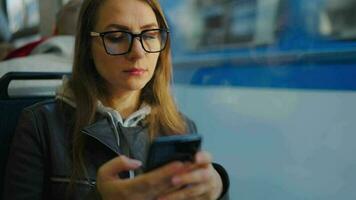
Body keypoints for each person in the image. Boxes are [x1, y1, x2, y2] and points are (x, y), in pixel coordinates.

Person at [4, 0, 230, 199]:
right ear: (87, 47)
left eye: (150, 35)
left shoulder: (179, 126)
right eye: (116, 37)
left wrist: (218, 189)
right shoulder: (40, 125)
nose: (138, 53)